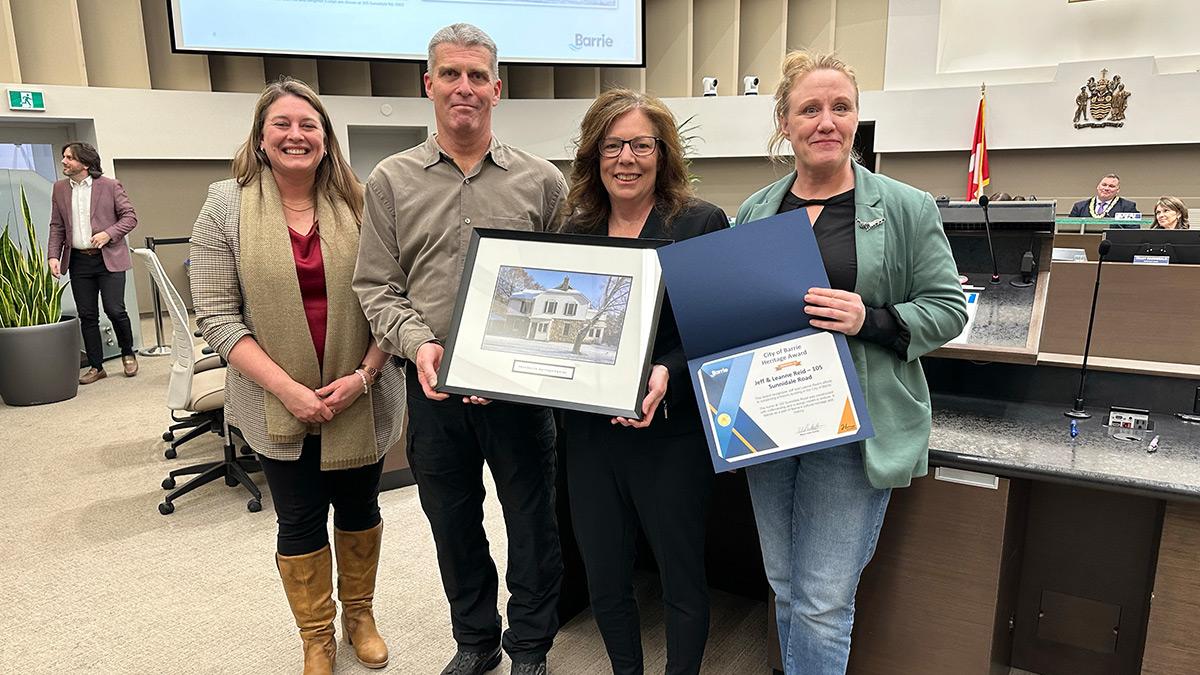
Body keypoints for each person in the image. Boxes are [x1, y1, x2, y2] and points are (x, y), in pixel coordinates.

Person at [734, 50, 967, 674]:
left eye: (842, 107)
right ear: (784, 122)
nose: (827, 121)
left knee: (822, 602)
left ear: (858, 119)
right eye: (810, 108)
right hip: (771, 422)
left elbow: (948, 308)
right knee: (784, 588)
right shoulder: (758, 209)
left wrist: (873, 319)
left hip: (855, 424)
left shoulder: (905, 207)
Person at [353, 23, 565, 675]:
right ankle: (476, 639)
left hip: (520, 390)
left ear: (497, 89)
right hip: (434, 387)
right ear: (429, 85)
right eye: (451, 74)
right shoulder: (389, 181)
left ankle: (530, 646)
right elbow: (377, 285)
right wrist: (419, 346)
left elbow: (567, 281)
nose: (464, 87)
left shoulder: (542, 181)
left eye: (477, 75)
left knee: (533, 523)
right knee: (452, 522)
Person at [190, 77, 405, 675]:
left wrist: (365, 374)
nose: (296, 135)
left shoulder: (363, 201)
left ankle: (359, 616)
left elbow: (394, 296)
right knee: (300, 517)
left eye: (308, 124)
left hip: (362, 390)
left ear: (326, 138)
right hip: (272, 398)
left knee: (360, 509)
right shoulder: (224, 204)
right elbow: (215, 316)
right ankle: (316, 635)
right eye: (282, 124)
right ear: (260, 139)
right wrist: (288, 389)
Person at [558, 89, 728, 675]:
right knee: (605, 575)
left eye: (640, 145)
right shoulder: (575, 230)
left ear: (662, 153)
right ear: (593, 155)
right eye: (612, 145)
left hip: (671, 434)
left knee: (682, 577)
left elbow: (716, 331)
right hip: (589, 439)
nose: (626, 158)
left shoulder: (700, 223)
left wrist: (667, 374)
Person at [46, 142, 139, 384]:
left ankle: (127, 352)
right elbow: (56, 225)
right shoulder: (59, 189)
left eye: (69, 158)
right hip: (78, 261)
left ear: (85, 164)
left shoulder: (110, 186)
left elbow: (130, 217)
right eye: (63, 156)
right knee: (87, 315)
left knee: (115, 309)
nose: (64, 161)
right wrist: (53, 256)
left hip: (108, 259)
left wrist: (109, 233)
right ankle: (97, 367)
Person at [1068, 173, 1139, 226]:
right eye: (1104, 185)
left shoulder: (1128, 207)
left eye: (1111, 186)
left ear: (1118, 190)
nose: (1106, 188)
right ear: (1098, 187)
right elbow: (1068, 229)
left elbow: (1133, 231)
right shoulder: (1079, 206)